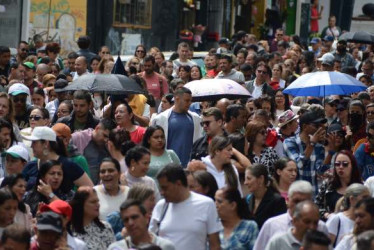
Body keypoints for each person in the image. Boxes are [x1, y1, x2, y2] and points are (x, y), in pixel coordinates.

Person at [149, 164, 222, 250]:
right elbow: (150, 239)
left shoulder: (207, 204)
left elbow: (215, 245)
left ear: (178, 184)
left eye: (165, 188)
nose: (161, 192)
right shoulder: (161, 206)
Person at [254, 180, 329, 250]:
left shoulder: (321, 227)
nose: (300, 205)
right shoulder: (272, 225)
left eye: (305, 201)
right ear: (288, 200)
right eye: (296, 201)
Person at [22, 126, 93, 192]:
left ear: (46, 143)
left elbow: (90, 189)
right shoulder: (31, 165)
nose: (31, 146)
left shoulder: (68, 165)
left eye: (34, 142)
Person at [152, 87, 202, 167]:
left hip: (190, 166)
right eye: (187, 100)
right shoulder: (161, 119)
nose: (189, 103)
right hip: (168, 166)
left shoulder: (196, 118)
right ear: (177, 99)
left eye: (190, 101)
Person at [284, 111, 328, 196]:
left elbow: (320, 172)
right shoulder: (290, 142)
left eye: (321, 126)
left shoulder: (319, 146)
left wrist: (330, 150)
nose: (320, 128)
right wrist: (311, 144)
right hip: (296, 196)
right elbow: (298, 165)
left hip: (314, 195)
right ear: (304, 126)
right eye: (316, 126)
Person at [108, 199, 175, 250]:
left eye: (134, 217)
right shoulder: (116, 248)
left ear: (146, 218)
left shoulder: (165, 246)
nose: (130, 223)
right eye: (126, 220)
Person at [315, 150, 362, 220]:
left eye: (345, 164)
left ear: (352, 166)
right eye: (337, 164)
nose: (340, 167)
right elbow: (316, 206)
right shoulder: (327, 184)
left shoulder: (360, 187)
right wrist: (326, 214)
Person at [71, 119, 114, 184]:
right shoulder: (78, 137)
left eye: (108, 138)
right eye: (104, 136)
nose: (106, 140)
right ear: (97, 128)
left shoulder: (109, 146)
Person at [244, 163, 287, 229]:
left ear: (261, 179)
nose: (245, 183)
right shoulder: (247, 200)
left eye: (249, 179)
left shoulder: (277, 201)